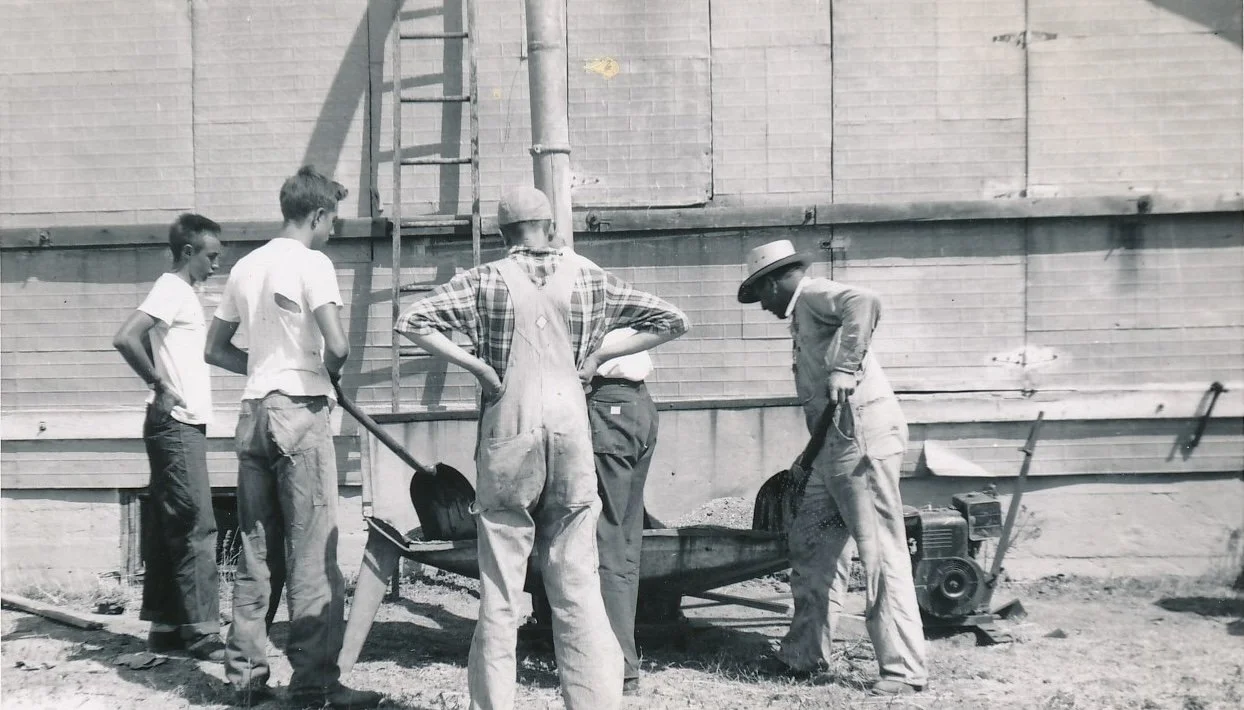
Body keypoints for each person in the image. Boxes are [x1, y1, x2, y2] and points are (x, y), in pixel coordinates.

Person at [396, 186, 689, 710]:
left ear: (503, 233)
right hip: (572, 428)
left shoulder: (483, 278)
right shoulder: (590, 277)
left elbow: (412, 321)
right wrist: (599, 351)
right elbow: (672, 321)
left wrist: (479, 367)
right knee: (577, 582)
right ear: (551, 227)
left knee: (502, 588)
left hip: (510, 430)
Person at [205, 166, 382, 709]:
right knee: (312, 553)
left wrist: (264, 367)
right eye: (332, 221)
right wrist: (320, 375)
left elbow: (215, 349)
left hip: (253, 412)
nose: (332, 232)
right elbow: (339, 345)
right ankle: (315, 687)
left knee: (257, 553)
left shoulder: (245, 265)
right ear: (317, 215)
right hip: (299, 413)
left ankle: (246, 685)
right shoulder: (313, 262)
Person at [737, 239, 927, 696]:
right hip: (834, 446)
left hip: (862, 438)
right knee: (812, 544)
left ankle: (903, 671)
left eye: (761, 293)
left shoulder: (815, 293)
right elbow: (824, 410)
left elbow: (865, 301)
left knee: (880, 550)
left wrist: (845, 367)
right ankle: (804, 654)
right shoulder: (803, 315)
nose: (762, 305)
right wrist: (808, 459)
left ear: (776, 280)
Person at [113, 213, 225, 662]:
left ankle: (165, 629)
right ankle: (202, 634)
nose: (216, 265)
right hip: (176, 423)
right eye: (211, 256)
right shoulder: (172, 288)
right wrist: (158, 384)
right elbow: (125, 337)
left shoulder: (185, 294)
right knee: (198, 524)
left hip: (179, 424)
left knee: (168, 526)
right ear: (187, 253)